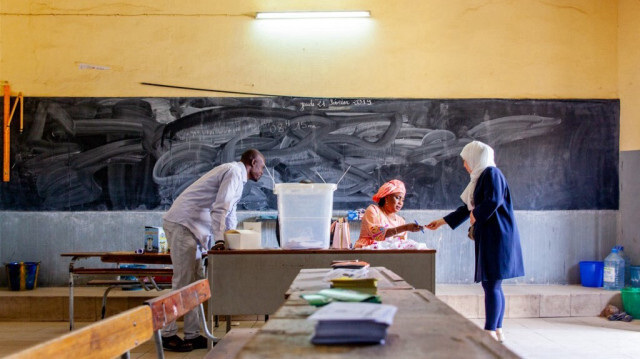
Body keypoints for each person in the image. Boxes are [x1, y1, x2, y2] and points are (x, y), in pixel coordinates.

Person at [160, 148, 265, 352]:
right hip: (184, 224)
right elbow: (220, 209)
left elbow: (229, 214)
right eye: (262, 165)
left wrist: (231, 239)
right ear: (252, 162)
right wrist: (219, 241)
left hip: (193, 228)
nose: (263, 170)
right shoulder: (234, 172)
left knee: (195, 283)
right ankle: (167, 334)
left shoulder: (238, 178)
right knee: (182, 281)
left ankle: (192, 334)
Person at [426, 141, 524, 343]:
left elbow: (493, 201)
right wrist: (442, 221)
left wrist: (476, 215)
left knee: (491, 284)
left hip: (497, 236)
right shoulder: (479, 179)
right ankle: (497, 330)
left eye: (466, 160)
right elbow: (466, 209)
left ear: (475, 158)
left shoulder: (491, 173)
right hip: (491, 236)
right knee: (493, 284)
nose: (464, 165)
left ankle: (489, 332)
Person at [354, 179, 422, 248]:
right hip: (366, 252)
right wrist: (405, 227)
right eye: (398, 198)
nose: (400, 203)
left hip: (390, 256)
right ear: (386, 197)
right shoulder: (373, 210)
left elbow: (402, 245)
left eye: (402, 200)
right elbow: (377, 235)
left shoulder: (401, 221)